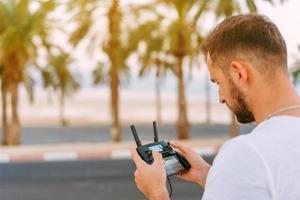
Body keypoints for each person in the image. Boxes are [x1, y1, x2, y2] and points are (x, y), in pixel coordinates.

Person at [131, 14, 300, 200]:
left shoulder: (247, 154)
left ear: (239, 73)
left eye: (218, 82)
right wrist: (208, 175)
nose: (220, 97)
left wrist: (157, 193)